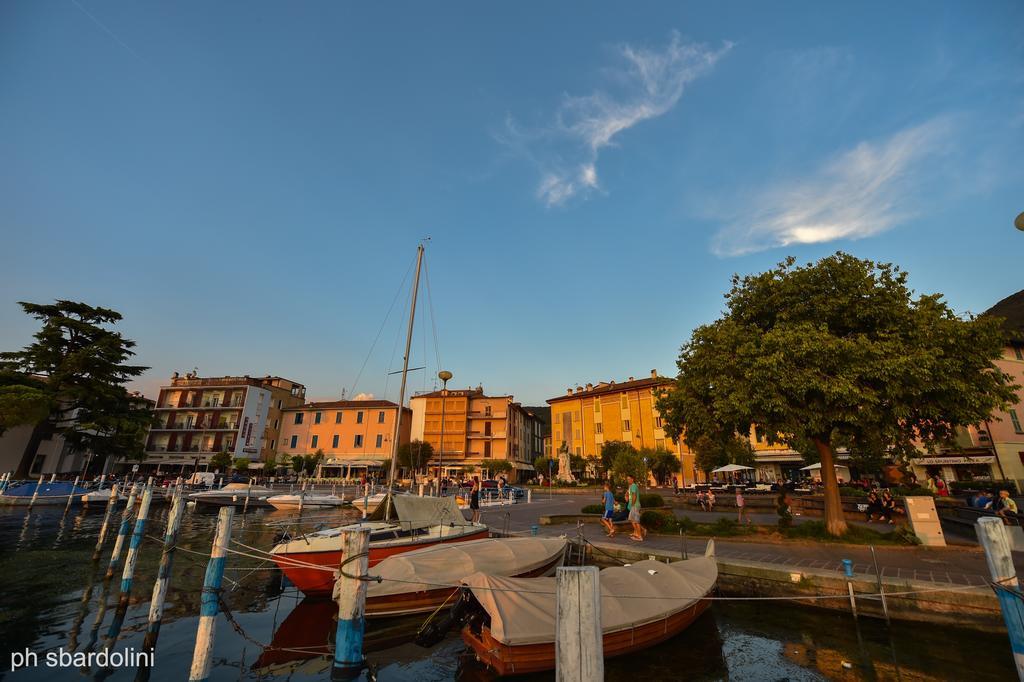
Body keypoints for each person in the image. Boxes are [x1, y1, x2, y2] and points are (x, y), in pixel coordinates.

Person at [626, 474, 646, 541]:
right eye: (627, 479)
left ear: (632, 479)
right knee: (632, 520)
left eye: (629, 479)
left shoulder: (634, 486)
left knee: (636, 521)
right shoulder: (631, 486)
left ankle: (639, 536)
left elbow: (634, 496)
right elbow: (629, 494)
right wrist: (627, 497)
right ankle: (637, 534)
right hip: (633, 505)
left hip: (635, 505)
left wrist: (632, 504)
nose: (628, 480)